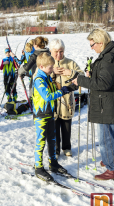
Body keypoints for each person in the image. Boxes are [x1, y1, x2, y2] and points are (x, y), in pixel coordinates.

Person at [72, 28, 114, 181]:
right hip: (111, 101)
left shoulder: (108, 58)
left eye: (92, 44)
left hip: (108, 104)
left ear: (100, 42)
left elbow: (103, 83)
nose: (91, 48)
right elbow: (107, 77)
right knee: (109, 136)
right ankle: (109, 159)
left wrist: (80, 80)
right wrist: (92, 71)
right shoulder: (110, 55)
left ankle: (111, 169)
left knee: (107, 138)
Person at [33, 52, 72, 181]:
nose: (52, 69)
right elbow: (47, 96)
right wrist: (63, 91)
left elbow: (53, 91)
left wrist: (68, 87)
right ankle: (38, 167)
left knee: (52, 139)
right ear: (41, 66)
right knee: (41, 142)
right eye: (50, 67)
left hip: (50, 114)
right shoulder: (39, 80)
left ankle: (53, 163)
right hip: (40, 116)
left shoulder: (47, 77)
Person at [49, 38, 84, 159]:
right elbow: (37, 75)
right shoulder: (47, 62)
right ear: (51, 51)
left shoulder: (70, 63)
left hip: (67, 101)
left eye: (61, 51)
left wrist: (70, 72)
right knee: (54, 126)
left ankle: (67, 147)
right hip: (52, 101)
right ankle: (56, 149)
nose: (59, 54)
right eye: (56, 52)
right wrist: (51, 71)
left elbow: (82, 76)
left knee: (66, 125)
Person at [17, 36, 50, 101]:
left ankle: (32, 101)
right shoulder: (48, 52)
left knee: (33, 89)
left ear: (36, 45)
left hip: (37, 77)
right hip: (48, 78)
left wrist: (19, 71)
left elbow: (27, 66)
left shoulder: (36, 55)